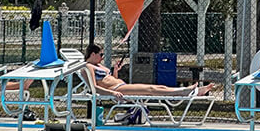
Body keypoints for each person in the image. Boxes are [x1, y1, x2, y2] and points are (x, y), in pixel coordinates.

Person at [83, 44, 214, 100]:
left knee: (158, 87)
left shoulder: (99, 66)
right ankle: (184, 92)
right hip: (117, 89)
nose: (102, 57)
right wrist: (113, 93)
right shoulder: (87, 67)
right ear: (93, 54)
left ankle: (192, 91)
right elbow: (94, 88)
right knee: (151, 89)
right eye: (101, 55)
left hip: (120, 85)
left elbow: (111, 79)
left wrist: (116, 71)